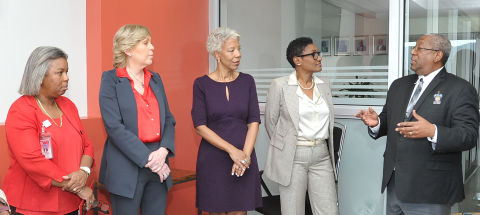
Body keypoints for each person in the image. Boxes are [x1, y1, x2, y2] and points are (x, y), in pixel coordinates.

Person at [355, 33, 479, 214]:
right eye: (413, 48)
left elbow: (468, 136)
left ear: (437, 55)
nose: (412, 52)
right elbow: (389, 121)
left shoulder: (460, 89)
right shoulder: (398, 85)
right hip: (395, 184)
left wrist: (433, 131)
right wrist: (376, 123)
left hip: (430, 189)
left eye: (419, 48)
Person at [3, 46, 95, 215]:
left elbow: (87, 146)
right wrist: (77, 187)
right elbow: (33, 161)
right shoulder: (21, 110)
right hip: (32, 206)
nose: (67, 78)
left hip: (70, 203)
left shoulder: (68, 106)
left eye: (67, 72)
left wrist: (84, 172)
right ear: (39, 76)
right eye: (60, 73)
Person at [98, 24, 176, 215]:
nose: (152, 47)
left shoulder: (155, 79)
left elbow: (168, 119)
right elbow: (114, 127)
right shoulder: (111, 80)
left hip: (158, 159)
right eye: (145, 43)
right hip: (127, 164)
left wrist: (163, 151)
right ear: (128, 49)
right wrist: (151, 159)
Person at [191, 27, 262, 214]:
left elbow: (254, 120)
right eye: (231, 50)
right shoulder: (201, 84)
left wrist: (244, 157)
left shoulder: (248, 81)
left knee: (240, 210)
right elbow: (199, 126)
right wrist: (233, 152)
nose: (238, 54)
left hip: (244, 158)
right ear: (217, 54)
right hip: (214, 159)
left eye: (239, 49)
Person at [264, 37, 339, 215]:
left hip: (322, 154)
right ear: (297, 59)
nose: (319, 58)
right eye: (313, 54)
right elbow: (271, 124)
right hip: (293, 156)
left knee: (329, 210)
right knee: (293, 211)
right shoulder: (280, 85)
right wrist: (288, 147)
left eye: (318, 54)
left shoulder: (324, 84)